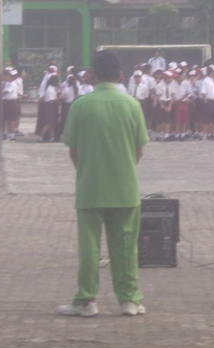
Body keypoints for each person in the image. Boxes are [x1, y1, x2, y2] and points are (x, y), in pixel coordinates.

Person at [58, 50, 148, 318]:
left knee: (90, 249)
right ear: (121, 75)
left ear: (93, 75)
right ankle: (129, 300)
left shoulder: (81, 105)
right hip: (125, 187)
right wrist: (123, 169)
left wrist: (87, 171)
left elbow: (73, 150)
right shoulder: (132, 105)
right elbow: (140, 149)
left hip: (90, 187)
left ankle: (86, 301)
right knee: (125, 247)